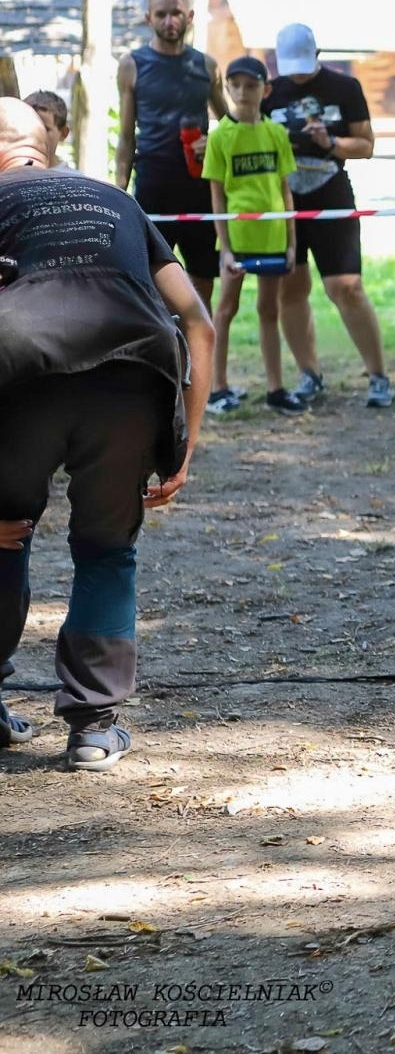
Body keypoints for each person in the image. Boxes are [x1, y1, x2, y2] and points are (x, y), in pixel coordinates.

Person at [0, 98, 215, 772]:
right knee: (106, 551)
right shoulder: (114, 199)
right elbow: (198, 322)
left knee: (3, 535)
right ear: (49, 147)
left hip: (19, 376)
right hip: (132, 376)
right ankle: (93, 727)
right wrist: (186, 444)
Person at [262, 23, 392, 409]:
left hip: (331, 189)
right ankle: (309, 374)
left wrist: (331, 142)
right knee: (292, 287)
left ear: (317, 55)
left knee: (346, 287)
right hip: (284, 197)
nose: (298, 74)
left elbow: (366, 145)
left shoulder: (344, 88)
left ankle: (379, 376)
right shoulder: (271, 92)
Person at [114, 0, 228, 308]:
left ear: (189, 16)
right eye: (161, 14)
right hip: (153, 181)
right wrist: (119, 192)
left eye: (176, 13)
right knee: (152, 274)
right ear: (148, 18)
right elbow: (125, 136)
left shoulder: (206, 66)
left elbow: (230, 125)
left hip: (200, 182)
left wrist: (215, 140)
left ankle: (197, 346)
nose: (169, 21)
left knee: (203, 274)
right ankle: (165, 346)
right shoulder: (132, 64)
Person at [202, 56, 299, 416]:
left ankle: (275, 387)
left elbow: (286, 190)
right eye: (236, 85)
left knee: (269, 309)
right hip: (237, 241)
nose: (243, 92)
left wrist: (291, 243)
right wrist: (224, 248)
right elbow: (217, 195)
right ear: (227, 88)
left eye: (252, 85)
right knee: (225, 309)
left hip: (273, 237)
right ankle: (218, 387)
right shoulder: (221, 137)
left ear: (265, 89)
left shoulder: (276, 133)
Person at [23, 91, 75, 172]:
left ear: (64, 133)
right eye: (28, 127)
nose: (35, 135)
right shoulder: (7, 175)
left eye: (45, 129)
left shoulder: (74, 181)